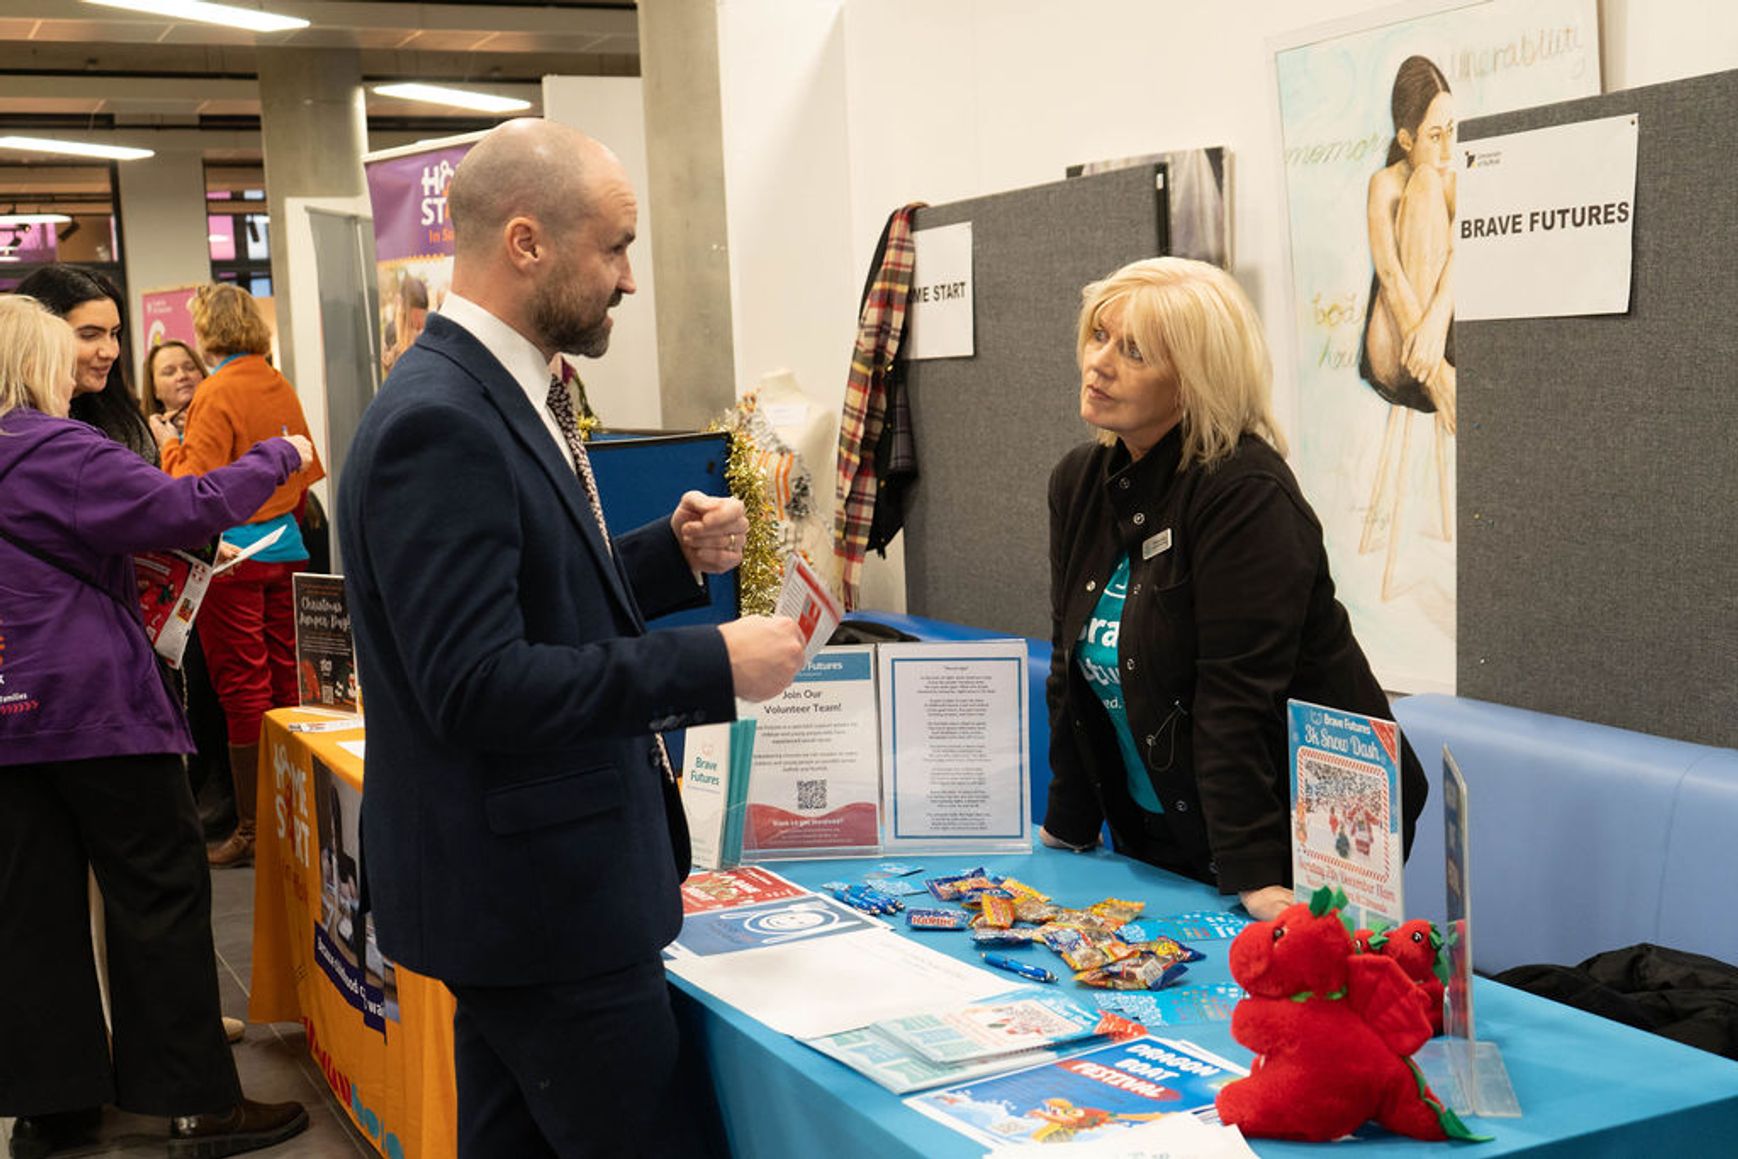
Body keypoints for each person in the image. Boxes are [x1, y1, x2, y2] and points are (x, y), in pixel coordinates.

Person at [337, 118, 806, 1158]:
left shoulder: (497, 387)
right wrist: (712, 665)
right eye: (616, 246)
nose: (630, 281)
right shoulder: (443, 419)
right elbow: (477, 684)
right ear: (525, 242)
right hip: (541, 904)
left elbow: (524, 588)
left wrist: (662, 559)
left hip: (524, 898)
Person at [0, 294, 310, 1158]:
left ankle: (51, 1108)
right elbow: (188, 506)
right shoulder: (57, 446)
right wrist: (279, 455)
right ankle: (193, 1103)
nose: (82, 367)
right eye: (73, 349)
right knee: (159, 893)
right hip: (97, 709)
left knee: (30, 912)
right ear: (35, 362)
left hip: (8, 717)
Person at [1039, 257, 1428, 922]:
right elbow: (1068, 667)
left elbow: (1233, 698)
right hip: (1164, 834)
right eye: (1099, 335)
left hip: (1295, 836)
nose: (1099, 363)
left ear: (1191, 383)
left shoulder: (1245, 495)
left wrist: (1255, 874)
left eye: (1132, 351)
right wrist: (1066, 824)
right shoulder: (1080, 481)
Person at [151, 283, 325, 868]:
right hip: (287, 547)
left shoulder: (216, 391)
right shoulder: (278, 383)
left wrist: (167, 444)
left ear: (205, 332)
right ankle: (290, 814)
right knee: (283, 680)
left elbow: (193, 488)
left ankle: (253, 829)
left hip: (232, 558)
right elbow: (306, 470)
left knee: (241, 687)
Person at [1360, 54, 1457, 433]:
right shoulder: (1384, 183)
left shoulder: (1456, 176)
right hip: (1395, 350)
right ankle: (1437, 379)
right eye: (1435, 136)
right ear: (1406, 139)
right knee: (1426, 183)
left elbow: (1460, 257)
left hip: (1436, 338)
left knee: (1435, 184)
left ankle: (1437, 365)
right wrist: (1438, 378)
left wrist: (1435, 323)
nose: (1448, 149)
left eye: (1452, 130)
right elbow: (1390, 275)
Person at [14, 265, 157, 462]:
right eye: (89, 336)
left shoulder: (121, 416)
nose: (110, 352)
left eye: (114, 334)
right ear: (40, 337)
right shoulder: (16, 430)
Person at [144, 338, 208, 435]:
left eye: (190, 368)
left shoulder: (226, 418)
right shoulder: (144, 438)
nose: (182, 376)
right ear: (154, 389)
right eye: (169, 372)